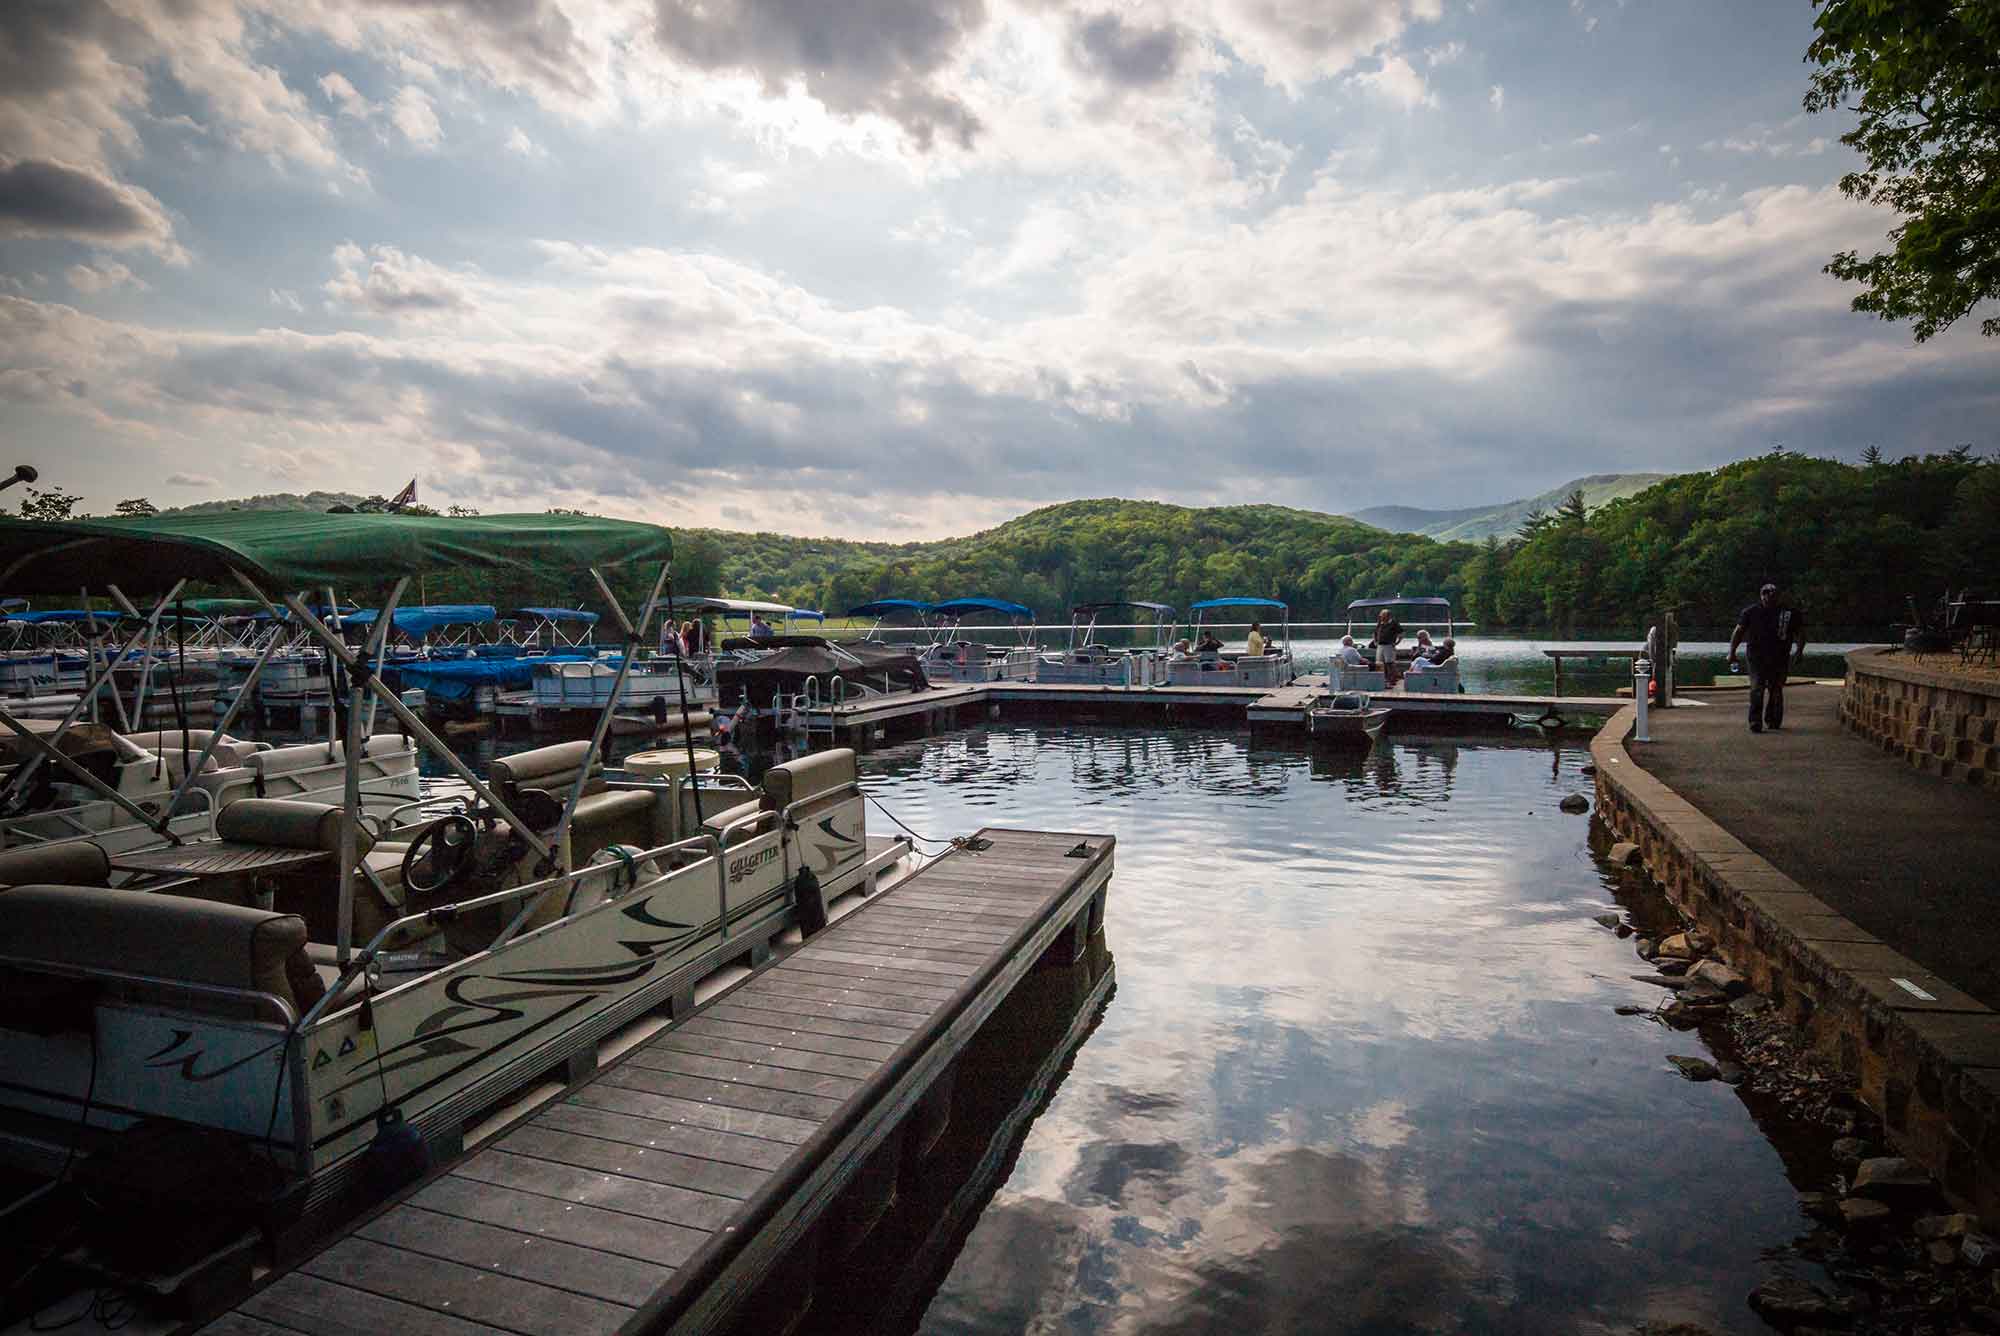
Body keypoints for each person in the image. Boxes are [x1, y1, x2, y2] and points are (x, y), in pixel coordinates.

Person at [1727, 582, 1806, 733]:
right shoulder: (1750, 612)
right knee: (1757, 688)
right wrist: (1732, 652)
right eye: (1765, 593)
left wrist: (1799, 651)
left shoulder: (1789, 613)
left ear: (1778, 596)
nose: (1768, 597)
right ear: (1761, 595)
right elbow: (1738, 632)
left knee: (1776, 689)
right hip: (1756, 656)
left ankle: (1773, 719)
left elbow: (1801, 633)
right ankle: (1755, 721)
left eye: (1772, 594)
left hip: (1780, 656)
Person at [1372, 608, 1402, 677]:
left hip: (1389, 645)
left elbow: (1401, 634)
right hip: (1380, 645)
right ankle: (1383, 678)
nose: (1381, 617)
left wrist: (1397, 643)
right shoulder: (1380, 623)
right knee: (1379, 663)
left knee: (1390, 663)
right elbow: (1375, 633)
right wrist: (1375, 641)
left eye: (1382, 616)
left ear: (1388, 616)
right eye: (1381, 616)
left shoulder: (1394, 623)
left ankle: (1392, 678)